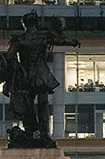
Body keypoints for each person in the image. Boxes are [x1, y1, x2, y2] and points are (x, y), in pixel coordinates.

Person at [0, 11, 79, 147]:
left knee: (28, 106)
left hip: (26, 76)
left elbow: (9, 57)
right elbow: (60, 40)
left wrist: (13, 68)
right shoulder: (43, 37)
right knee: (43, 105)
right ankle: (44, 135)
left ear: (24, 24)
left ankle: (30, 132)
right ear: (36, 23)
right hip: (41, 75)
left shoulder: (19, 40)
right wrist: (72, 42)